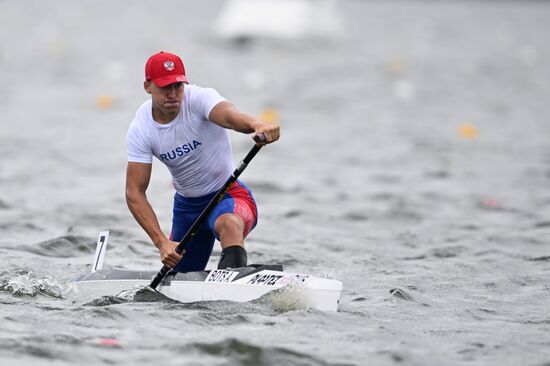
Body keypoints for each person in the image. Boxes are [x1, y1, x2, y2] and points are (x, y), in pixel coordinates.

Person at [125, 51, 280, 272]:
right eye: (165, 87)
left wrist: (257, 125)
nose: (173, 94)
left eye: (178, 86)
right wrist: (161, 242)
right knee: (176, 282)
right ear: (147, 86)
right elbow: (134, 193)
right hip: (187, 210)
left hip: (228, 195)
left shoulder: (200, 99)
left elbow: (230, 116)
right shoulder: (141, 129)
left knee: (228, 224)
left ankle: (234, 283)